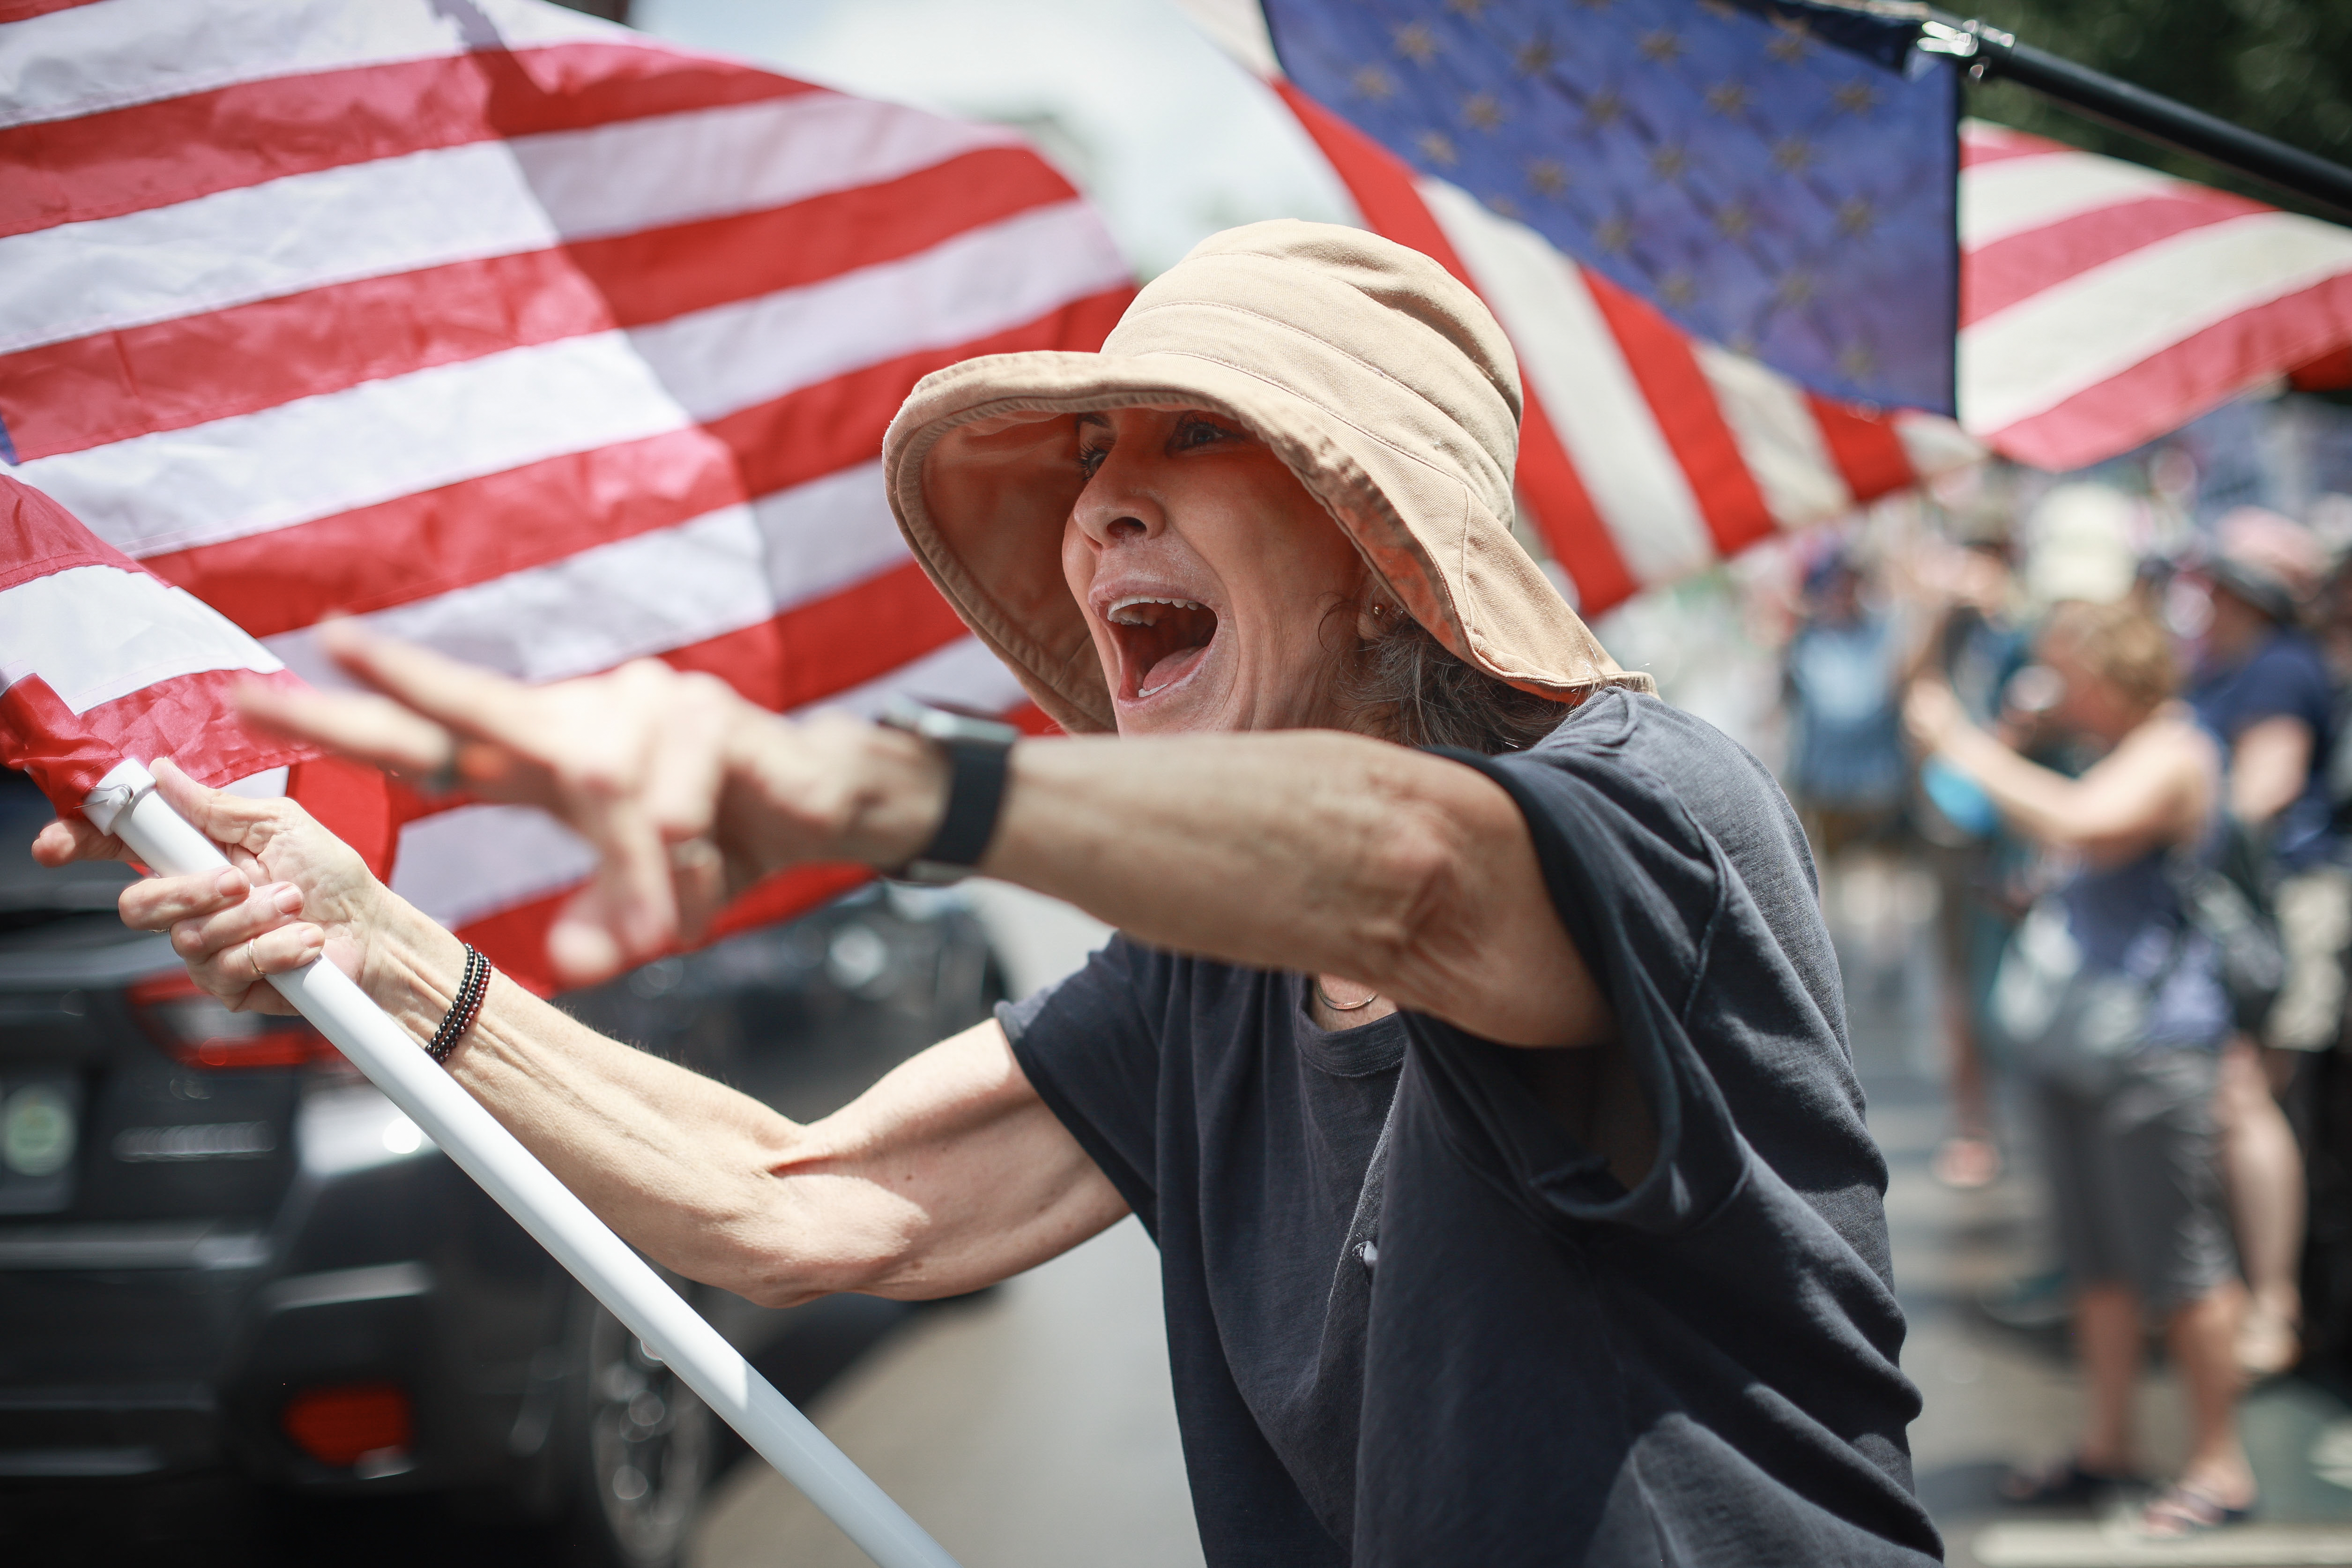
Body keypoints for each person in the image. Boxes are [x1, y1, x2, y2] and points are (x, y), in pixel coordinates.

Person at [35, 224, 1940, 1566]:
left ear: (1378, 553)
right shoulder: (1208, 968)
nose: (1098, 503)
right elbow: (806, 1203)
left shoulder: (1647, 803)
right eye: (1089, 455)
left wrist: (858, 782)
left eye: (1192, 435)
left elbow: (1413, 876)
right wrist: (377, 953)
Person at [1907, 601, 2251, 1537]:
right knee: (2096, 1266)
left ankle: (2219, 1464)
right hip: (2082, 1039)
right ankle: (2108, 1446)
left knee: (2180, 1264)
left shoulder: (2175, 750)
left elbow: (2082, 822)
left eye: (2070, 671)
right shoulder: (2112, 749)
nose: (2058, 690)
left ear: (2111, 670)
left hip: (2152, 1045)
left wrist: (1965, 745)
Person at [2188, 507, 2338, 1380]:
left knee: (2251, 1098)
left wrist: (2170, 813)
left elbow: (2263, 787)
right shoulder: (2235, 665)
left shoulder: (2278, 668)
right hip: (2249, 909)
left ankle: (2275, 1305)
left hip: (2280, 910)